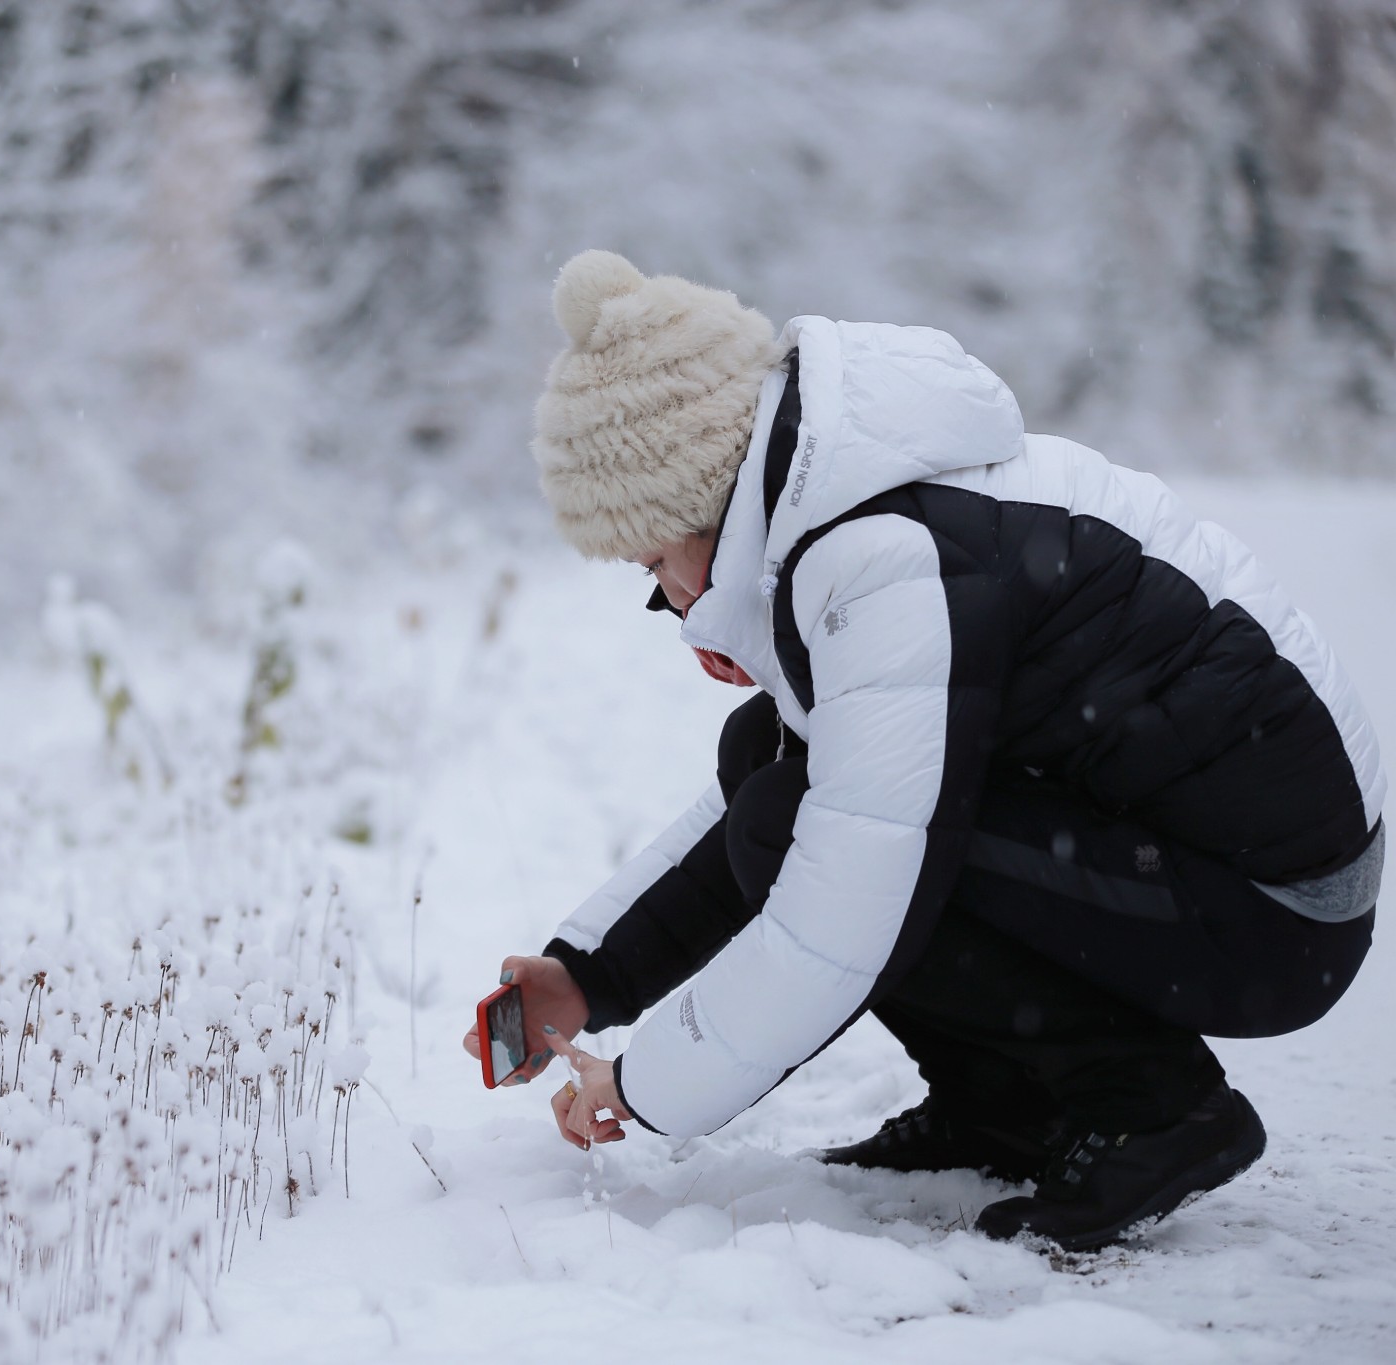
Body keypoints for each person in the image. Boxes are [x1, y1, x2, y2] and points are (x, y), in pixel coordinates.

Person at [464, 249, 1383, 1252]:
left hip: (1274, 910)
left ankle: (1150, 1110)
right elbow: (793, 797)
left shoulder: (882, 558)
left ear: (697, 500)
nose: (671, 604)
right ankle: (1008, 1111)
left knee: (819, 833)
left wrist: (643, 1088)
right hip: (1195, 861)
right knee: (763, 765)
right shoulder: (859, 509)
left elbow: (845, 903)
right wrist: (587, 977)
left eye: (654, 567)